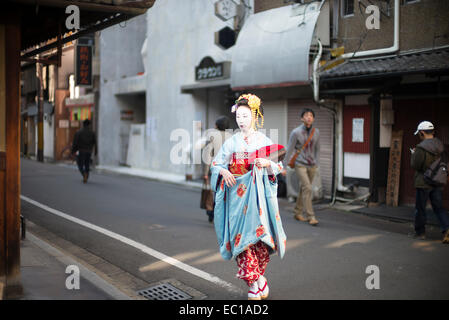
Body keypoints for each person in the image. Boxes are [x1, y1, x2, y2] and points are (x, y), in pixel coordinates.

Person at [210, 93, 287, 300]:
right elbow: (216, 164)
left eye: (245, 116)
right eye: (239, 117)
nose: (241, 120)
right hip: (236, 197)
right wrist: (223, 171)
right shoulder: (231, 142)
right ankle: (256, 282)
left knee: (258, 241)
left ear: (254, 115)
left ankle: (258, 280)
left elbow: (278, 166)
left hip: (256, 198)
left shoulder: (263, 140)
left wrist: (267, 164)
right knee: (241, 242)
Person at [410, 121, 449, 243]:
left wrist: (413, 154)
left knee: (420, 208)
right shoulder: (440, 145)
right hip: (437, 181)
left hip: (424, 182)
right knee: (439, 207)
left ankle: (420, 233)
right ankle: (447, 229)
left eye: (419, 134)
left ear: (422, 133)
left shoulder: (421, 148)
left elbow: (416, 165)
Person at [281, 108, 320, 226]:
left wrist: (317, 163)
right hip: (300, 164)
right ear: (302, 118)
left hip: (312, 165)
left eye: (311, 115)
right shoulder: (296, 132)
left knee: (304, 189)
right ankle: (311, 216)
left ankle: (297, 212)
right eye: (306, 115)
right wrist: (283, 166)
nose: (309, 117)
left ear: (313, 118)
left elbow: (317, 149)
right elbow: (290, 149)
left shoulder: (316, 132)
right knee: (307, 187)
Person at [202, 116, 232, 223]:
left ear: (217, 125)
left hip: (215, 169)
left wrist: (205, 172)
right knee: (224, 193)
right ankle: (223, 216)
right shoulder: (232, 137)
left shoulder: (212, 136)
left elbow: (207, 155)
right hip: (228, 170)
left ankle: (211, 213)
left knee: (213, 191)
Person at [72, 119, 97, 183]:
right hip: (89, 151)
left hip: (81, 151)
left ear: (83, 125)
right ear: (89, 125)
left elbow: (75, 142)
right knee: (87, 164)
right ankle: (86, 175)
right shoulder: (92, 133)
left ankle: (84, 174)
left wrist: (73, 150)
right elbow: (95, 142)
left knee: (80, 163)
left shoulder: (79, 132)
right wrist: (96, 151)